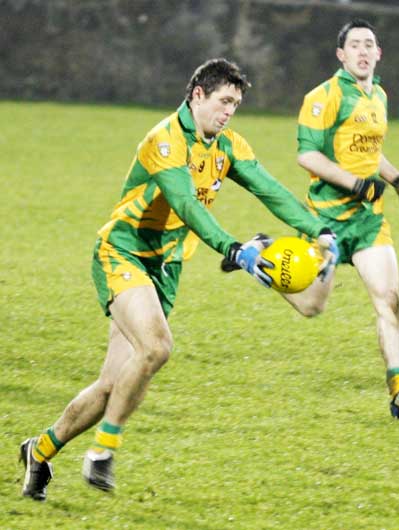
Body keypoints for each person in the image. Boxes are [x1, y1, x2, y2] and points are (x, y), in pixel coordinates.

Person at [19, 58, 339, 501]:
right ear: (198, 96)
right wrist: (235, 250)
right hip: (124, 252)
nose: (229, 111)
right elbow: (187, 205)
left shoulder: (228, 145)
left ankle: (40, 450)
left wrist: (318, 229)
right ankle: (102, 453)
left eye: (236, 104)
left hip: (165, 269)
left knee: (112, 384)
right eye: (224, 101)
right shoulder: (164, 141)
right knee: (157, 346)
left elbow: (270, 189)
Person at [287, 19, 399, 419]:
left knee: (390, 300)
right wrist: (355, 184)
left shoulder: (379, 95)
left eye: (370, 44)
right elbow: (308, 155)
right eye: (355, 45)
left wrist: (396, 179)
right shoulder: (323, 96)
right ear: (341, 55)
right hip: (325, 221)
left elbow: (371, 151)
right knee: (312, 307)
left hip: (368, 221)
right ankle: (261, 258)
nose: (363, 51)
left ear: (379, 53)